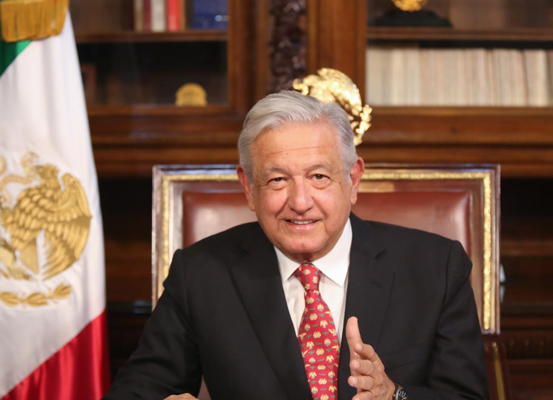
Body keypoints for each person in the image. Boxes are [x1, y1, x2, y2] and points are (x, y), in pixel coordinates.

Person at [104, 91, 488, 400]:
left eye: (319, 176)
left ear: (353, 180)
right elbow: (137, 390)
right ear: (248, 188)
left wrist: (394, 395)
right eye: (277, 180)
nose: (300, 202)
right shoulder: (201, 274)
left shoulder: (437, 268)